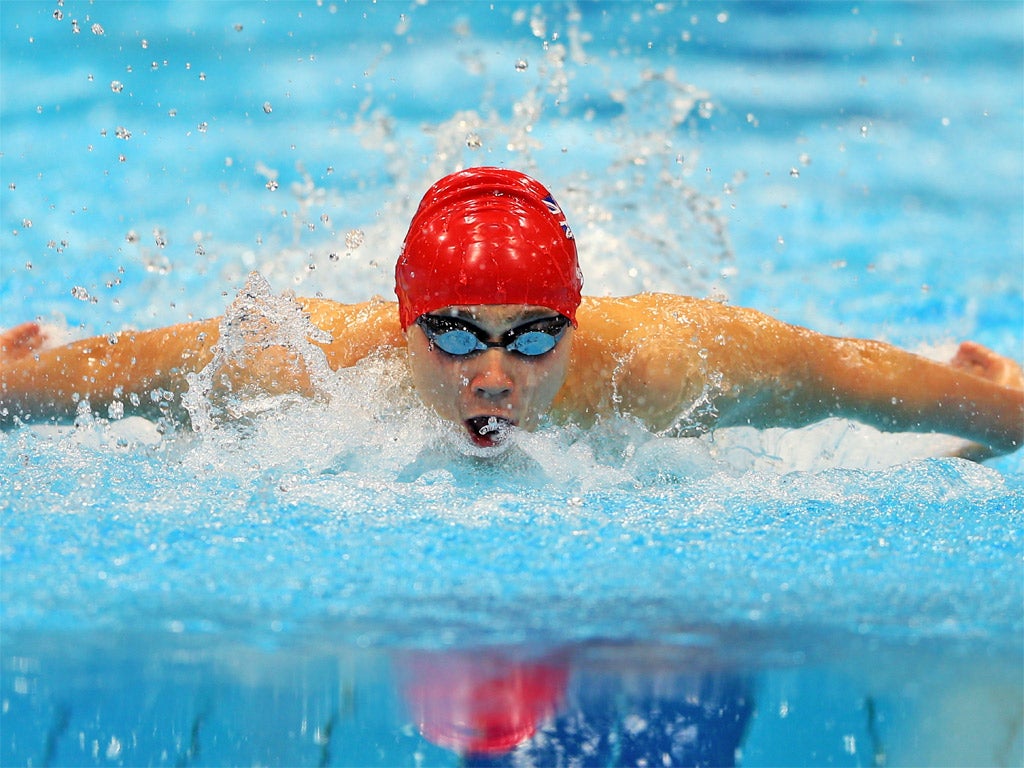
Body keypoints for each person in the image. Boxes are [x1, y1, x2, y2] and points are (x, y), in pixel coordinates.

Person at [1, 167, 1022, 458]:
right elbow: (119, 372)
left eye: (534, 335)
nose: (493, 376)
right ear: (402, 327)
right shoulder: (298, 363)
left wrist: (988, 407)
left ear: (576, 327)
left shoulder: (665, 367)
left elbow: (840, 374)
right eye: (453, 334)